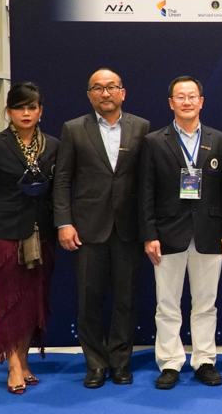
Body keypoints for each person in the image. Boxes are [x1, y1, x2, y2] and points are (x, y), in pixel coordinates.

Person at [54, 69, 150, 388]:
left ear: (123, 92)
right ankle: (95, 363)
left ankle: (120, 362)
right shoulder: (73, 129)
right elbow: (63, 179)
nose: (105, 93)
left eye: (111, 87)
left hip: (128, 229)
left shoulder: (142, 127)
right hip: (87, 229)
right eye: (98, 88)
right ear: (89, 95)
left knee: (126, 300)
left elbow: (147, 180)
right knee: (89, 300)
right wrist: (64, 222)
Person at [140, 76, 222, 390]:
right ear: (171, 103)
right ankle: (170, 363)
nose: (186, 102)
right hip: (167, 233)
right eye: (180, 96)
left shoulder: (219, 140)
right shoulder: (155, 141)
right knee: (167, 304)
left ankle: (204, 360)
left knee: (206, 303)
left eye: (192, 96)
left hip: (209, 233)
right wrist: (149, 234)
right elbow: (145, 192)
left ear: (201, 101)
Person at [0, 82, 59, 394]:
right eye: (19, 107)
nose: (26, 113)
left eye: (31, 107)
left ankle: (23, 358)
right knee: (10, 300)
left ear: (40, 111)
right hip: (5, 233)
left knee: (34, 299)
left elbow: (57, 189)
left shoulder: (52, 146)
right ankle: (11, 364)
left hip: (41, 231)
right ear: (8, 111)